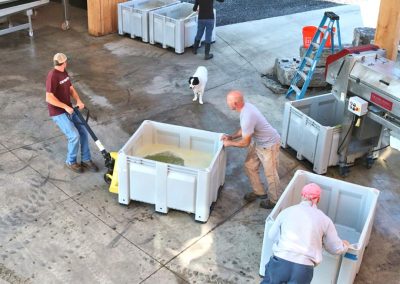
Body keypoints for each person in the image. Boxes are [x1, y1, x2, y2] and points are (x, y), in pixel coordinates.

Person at [261, 183, 350, 284]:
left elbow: (272, 235)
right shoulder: (325, 220)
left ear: (302, 196)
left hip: (280, 261)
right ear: (318, 199)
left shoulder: (287, 212)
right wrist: (345, 245)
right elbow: (335, 248)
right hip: (303, 269)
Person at [221, 90, 281, 209]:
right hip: (258, 142)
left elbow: (245, 143)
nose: (227, 103)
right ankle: (259, 192)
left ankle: (275, 200)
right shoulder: (245, 108)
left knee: (271, 175)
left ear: (235, 103)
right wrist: (231, 136)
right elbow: (245, 129)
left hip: (269, 145)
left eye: (228, 101)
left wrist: (229, 143)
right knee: (250, 166)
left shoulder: (248, 115)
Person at [45, 53, 98, 173]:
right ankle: (71, 161)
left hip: (69, 108)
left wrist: (78, 100)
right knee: (73, 136)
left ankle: (86, 159)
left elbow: (70, 89)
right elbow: (49, 98)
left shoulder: (64, 72)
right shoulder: (52, 76)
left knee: (83, 131)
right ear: (64, 62)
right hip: (58, 112)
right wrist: (65, 106)